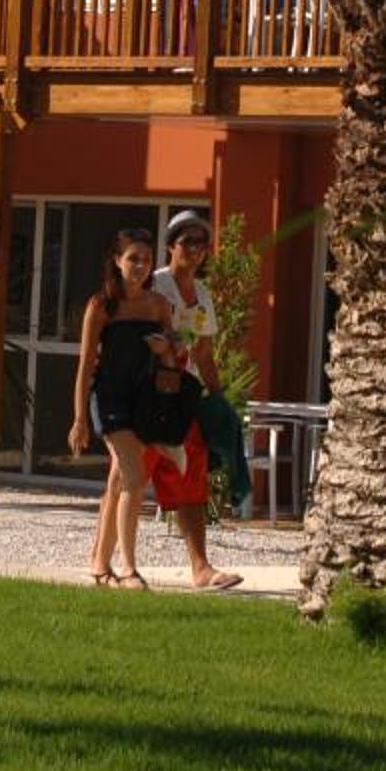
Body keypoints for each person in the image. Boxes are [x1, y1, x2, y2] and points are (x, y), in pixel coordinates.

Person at [69, 227, 186, 589]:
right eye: (133, 258)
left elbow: (174, 356)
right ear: (117, 261)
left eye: (146, 259)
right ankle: (129, 568)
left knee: (119, 479)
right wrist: (79, 419)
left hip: (142, 401)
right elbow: (85, 364)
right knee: (135, 477)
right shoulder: (101, 305)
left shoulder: (159, 305)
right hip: (108, 399)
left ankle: (99, 564)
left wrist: (166, 349)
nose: (140, 265)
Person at [148, 212, 245, 591]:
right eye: (187, 241)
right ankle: (107, 562)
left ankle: (201, 568)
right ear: (170, 245)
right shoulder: (154, 284)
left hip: (183, 398)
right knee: (129, 479)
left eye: (202, 243)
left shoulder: (202, 294)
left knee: (191, 478)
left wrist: (219, 399)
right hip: (148, 395)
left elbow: (204, 354)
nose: (195, 249)